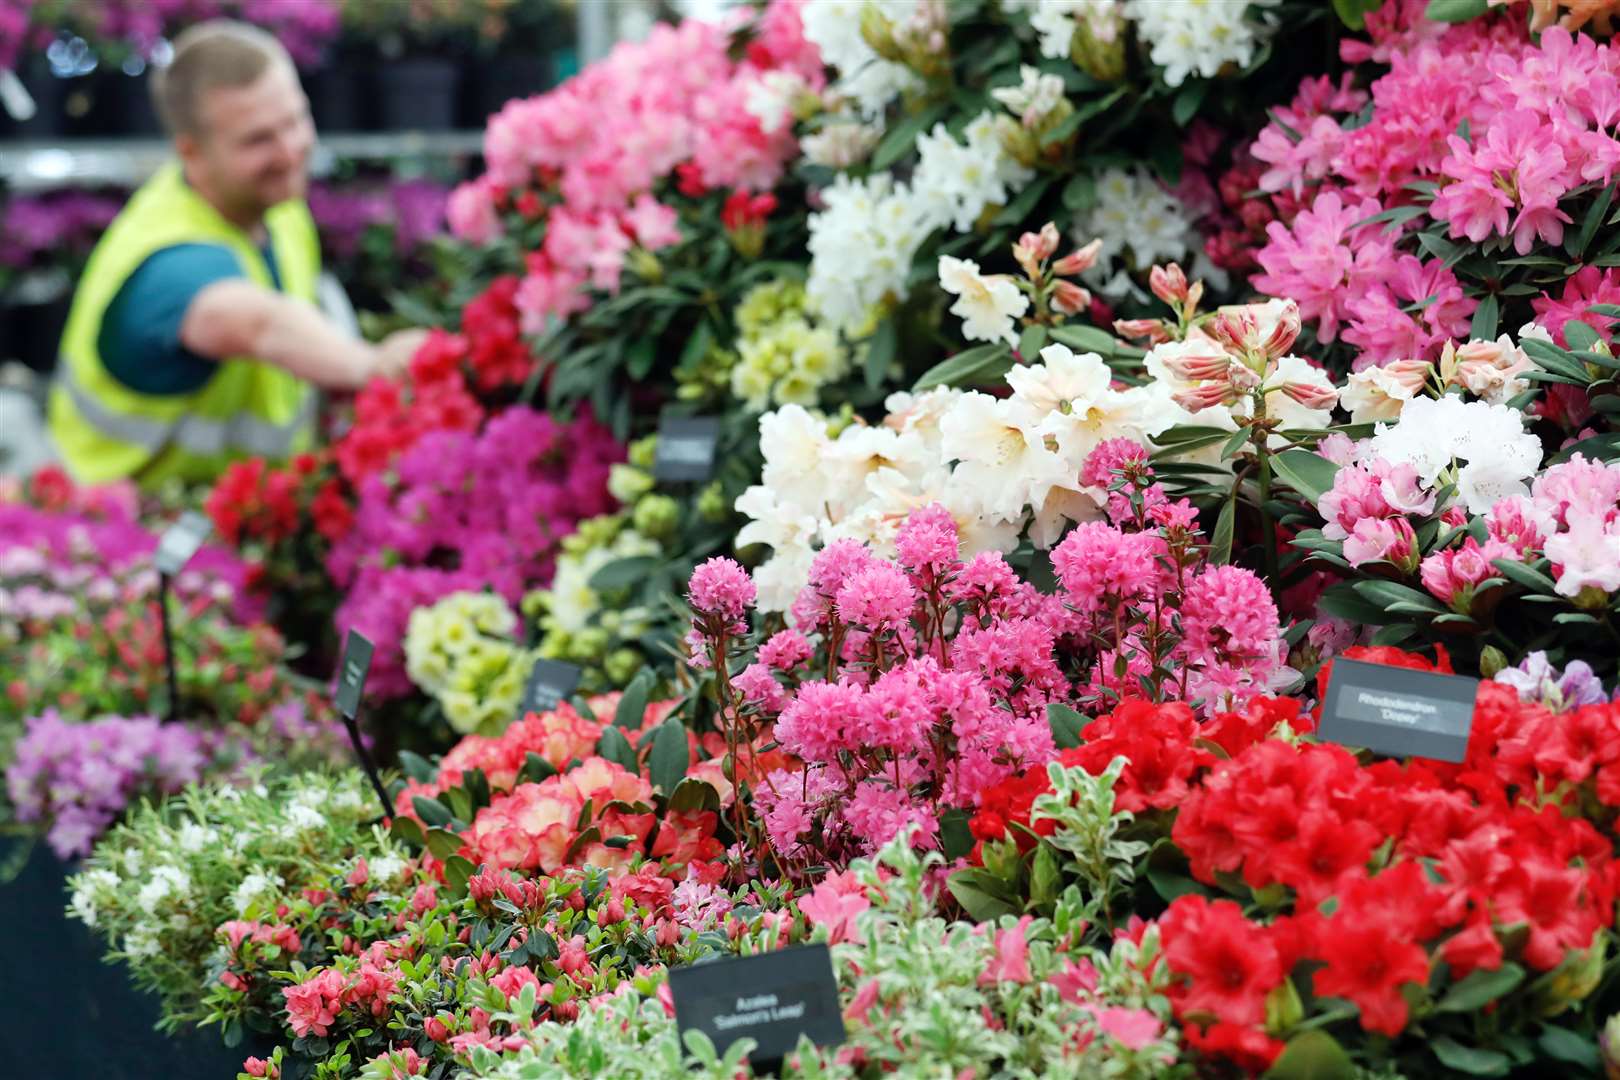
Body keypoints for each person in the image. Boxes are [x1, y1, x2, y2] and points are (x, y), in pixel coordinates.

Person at [48, 20, 426, 487]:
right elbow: (256, 323)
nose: (290, 152)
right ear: (192, 152)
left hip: (244, 517)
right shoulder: (167, 254)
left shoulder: (276, 210)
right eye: (258, 140)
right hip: (131, 536)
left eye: (295, 120)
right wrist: (369, 366)